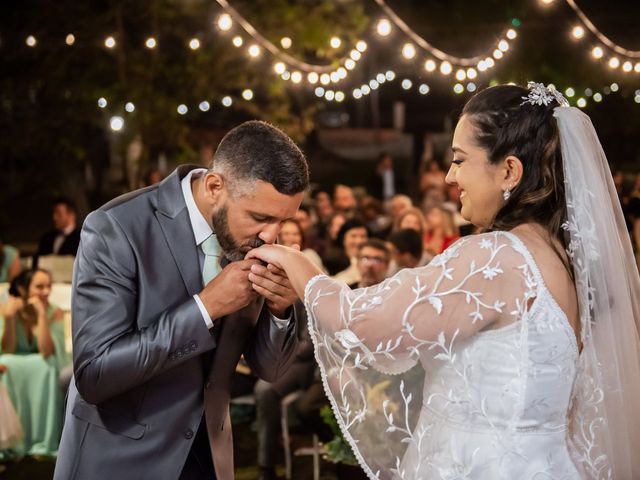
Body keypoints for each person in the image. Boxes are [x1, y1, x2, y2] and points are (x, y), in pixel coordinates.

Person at [246, 84, 640, 478]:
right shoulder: (566, 261)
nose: (450, 176)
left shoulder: (496, 257)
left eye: (459, 159)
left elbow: (360, 322)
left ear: (508, 171)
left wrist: (295, 262)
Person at [54, 120, 309, 480]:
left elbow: (271, 370)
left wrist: (280, 310)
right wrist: (206, 307)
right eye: (261, 218)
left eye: (283, 220)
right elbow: (95, 375)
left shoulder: (254, 241)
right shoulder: (116, 227)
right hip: (123, 459)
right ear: (215, 186)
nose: (272, 235)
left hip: (210, 457)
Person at [0, 268, 69, 457]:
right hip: (16, 361)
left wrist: (41, 317)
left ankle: (42, 439)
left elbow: (47, 351)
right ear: (23, 289)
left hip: (45, 361)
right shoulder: (7, 307)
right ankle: (13, 440)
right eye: (40, 287)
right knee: (6, 363)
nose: (46, 291)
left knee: (45, 367)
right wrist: (9, 318)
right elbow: (7, 349)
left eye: (49, 286)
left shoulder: (54, 311)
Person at [33, 197, 81, 268]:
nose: (54, 217)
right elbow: (37, 261)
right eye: (54, 213)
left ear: (71, 215)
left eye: (59, 214)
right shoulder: (47, 238)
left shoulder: (82, 238)